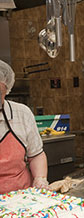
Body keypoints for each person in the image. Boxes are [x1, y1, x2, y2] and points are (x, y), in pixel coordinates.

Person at [0, 60, 49, 194]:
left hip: (22, 198)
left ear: (7, 90)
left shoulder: (22, 113)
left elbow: (36, 155)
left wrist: (40, 179)